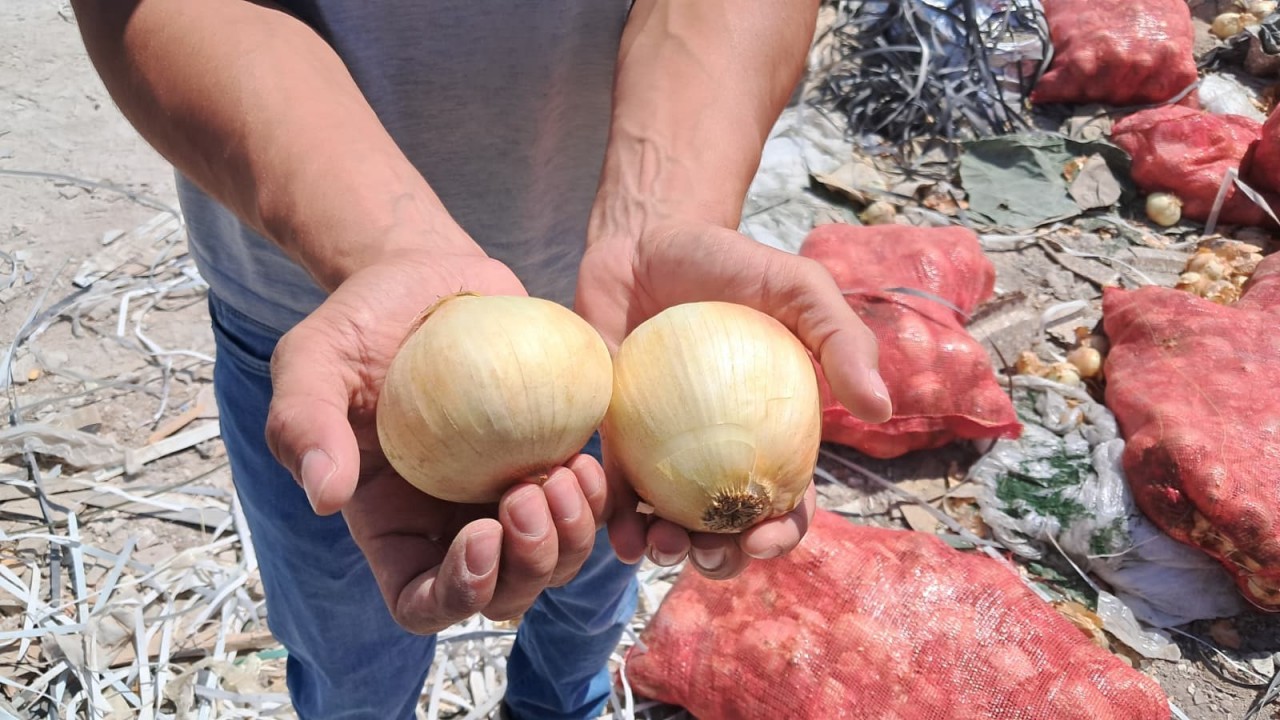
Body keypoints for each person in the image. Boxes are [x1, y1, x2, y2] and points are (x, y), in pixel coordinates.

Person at [70, 1, 892, 718]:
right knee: (349, 647)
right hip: (344, 351)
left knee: (594, 587)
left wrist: (662, 211)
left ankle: (559, 708)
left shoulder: (641, 343)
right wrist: (384, 246)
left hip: (623, 344)